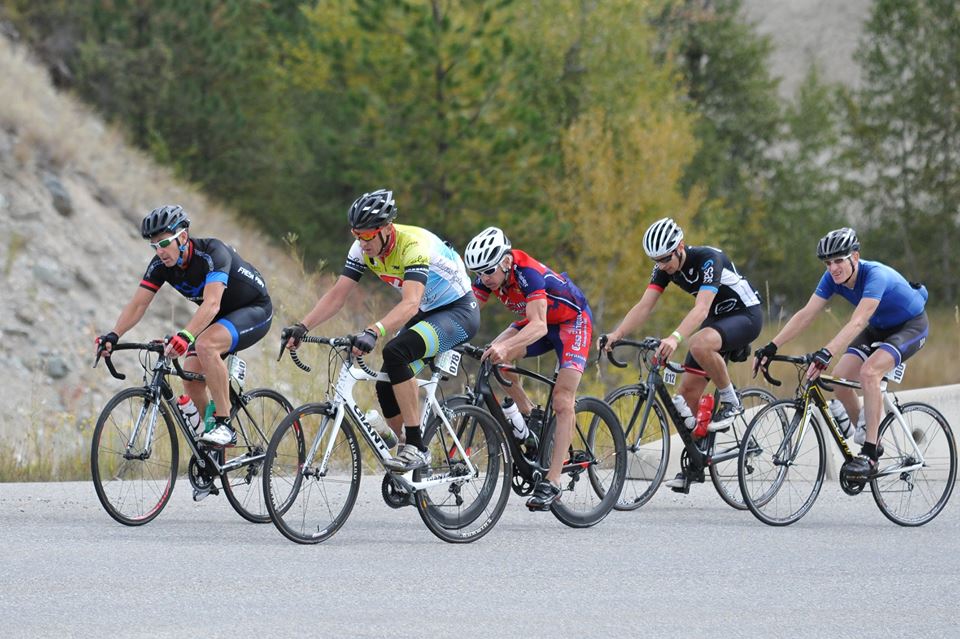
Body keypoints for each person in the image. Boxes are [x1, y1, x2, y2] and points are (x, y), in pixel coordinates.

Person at [282, 189, 479, 473]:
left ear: (386, 229)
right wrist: (302, 326)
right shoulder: (362, 249)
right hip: (427, 309)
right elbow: (338, 295)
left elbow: (410, 303)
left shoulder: (413, 245)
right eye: (356, 235)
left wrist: (374, 331)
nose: (362, 243)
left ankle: (416, 448)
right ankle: (405, 451)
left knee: (396, 352)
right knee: (386, 383)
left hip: (458, 311)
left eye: (367, 235)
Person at [600, 217, 763, 491]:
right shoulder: (663, 267)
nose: (662, 265)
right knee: (686, 395)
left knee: (697, 344)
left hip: (745, 314)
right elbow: (644, 306)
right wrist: (617, 333)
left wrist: (675, 338)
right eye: (656, 261)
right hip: (718, 319)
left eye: (666, 259)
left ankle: (731, 401)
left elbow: (701, 309)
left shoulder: (708, 259)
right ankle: (696, 464)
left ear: (680, 247)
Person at [753, 227, 928, 480]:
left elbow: (858, 321)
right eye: (828, 263)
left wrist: (827, 351)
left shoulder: (875, 275)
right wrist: (772, 345)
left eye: (838, 261)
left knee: (869, 372)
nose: (833, 268)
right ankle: (868, 437)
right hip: (878, 328)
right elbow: (806, 314)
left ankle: (870, 455)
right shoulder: (831, 278)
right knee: (840, 379)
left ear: (855, 257)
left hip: (910, 326)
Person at [96, 205, 273, 447]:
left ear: (183, 237)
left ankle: (224, 426)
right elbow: (138, 305)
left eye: (164, 243)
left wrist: (186, 335)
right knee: (190, 379)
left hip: (253, 309)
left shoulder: (212, 253)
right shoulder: (160, 266)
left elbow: (212, 304)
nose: (160, 251)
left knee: (206, 345)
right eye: (154, 245)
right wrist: (114, 335)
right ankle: (211, 446)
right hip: (218, 316)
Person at [464, 226, 593, 511]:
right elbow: (466, 311)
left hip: (571, 323)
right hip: (540, 321)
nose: (484, 279)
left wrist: (506, 347)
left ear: (505, 261)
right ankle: (531, 415)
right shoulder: (488, 277)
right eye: (478, 274)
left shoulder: (528, 273)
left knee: (562, 400)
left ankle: (553, 481)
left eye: (488, 272)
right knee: (494, 358)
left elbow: (539, 326)